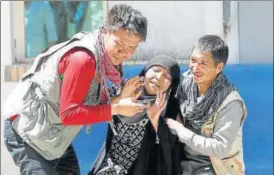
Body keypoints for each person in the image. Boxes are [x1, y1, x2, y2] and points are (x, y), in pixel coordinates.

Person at [3, 4, 148, 175]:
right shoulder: (83, 59)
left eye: (132, 48)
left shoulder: (106, 60)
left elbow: (88, 106)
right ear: (106, 31)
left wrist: (120, 99)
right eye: (120, 44)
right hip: (27, 131)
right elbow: (69, 113)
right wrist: (116, 108)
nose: (125, 53)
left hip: (54, 136)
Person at [166, 35, 247, 175]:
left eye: (203, 63)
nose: (195, 68)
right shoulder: (184, 84)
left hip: (213, 167)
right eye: (193, 60)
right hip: (182, 161)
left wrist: (181, 131)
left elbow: (220, 147)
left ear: (219, 67)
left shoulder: (230, 102)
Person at [89, 55, 182, 175]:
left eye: (166, 76)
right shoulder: (124, 89)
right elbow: (94, 111)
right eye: (156, 70)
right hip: (109, 165)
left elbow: (171, 147)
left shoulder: (170, 107)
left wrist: (155, 120)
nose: (159, 77)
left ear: (171, 84)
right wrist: (120, 99)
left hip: (143, 168)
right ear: (145, 71)